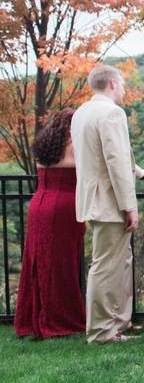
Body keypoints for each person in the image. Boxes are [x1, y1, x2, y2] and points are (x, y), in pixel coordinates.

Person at [72, 64, 144, 343]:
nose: (123, 89)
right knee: (106, 265)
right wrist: (129, 205)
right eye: (121, 84)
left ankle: (120, 320)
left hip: (92, 197)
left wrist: (140, 171)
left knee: (121, 261)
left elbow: (118, 155)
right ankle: (101, 331)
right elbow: (115, 160)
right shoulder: (111, 112)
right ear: (111, 82)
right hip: (109, 200)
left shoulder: (82, 112)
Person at [14, 110, 86, 339]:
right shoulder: (75, 147)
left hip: (39, 204)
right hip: (63, 206)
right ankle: (61, 319)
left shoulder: (44, 146)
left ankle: (32, 317)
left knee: (37, 261)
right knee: (62, 265)